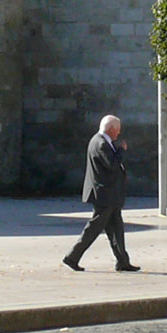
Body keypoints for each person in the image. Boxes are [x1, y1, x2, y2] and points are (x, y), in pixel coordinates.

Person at [64, 114, 139, 272]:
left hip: (109, 194)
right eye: (117, 130)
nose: (119, 133)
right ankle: (72, 257)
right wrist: (121, 151)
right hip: (104, 195)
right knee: (94, 228)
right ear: (111, 129)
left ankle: (123, 261)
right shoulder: (101, 143)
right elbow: (111, 164)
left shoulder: (102, 141)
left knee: (117, 228)